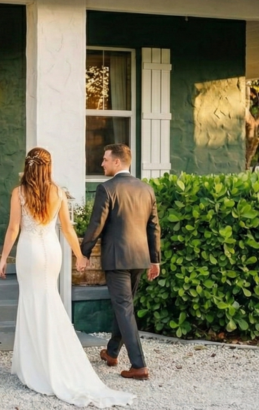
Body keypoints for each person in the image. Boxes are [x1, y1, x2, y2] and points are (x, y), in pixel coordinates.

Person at [0, 147, 136, 408]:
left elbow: (14, 228)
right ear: (48, 167)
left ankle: (37, 364)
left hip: (30, 252)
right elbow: (68, 228)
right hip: (52, 251)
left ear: (27, 166)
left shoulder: (19, 193)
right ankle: (54, 358)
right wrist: (79, 256)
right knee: (50, 301)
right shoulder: (58, 192)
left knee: (32, 303)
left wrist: (3, 258)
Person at [80, 143, 162, 381]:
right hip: (140, 258)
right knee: (123, 306)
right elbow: (154, 227)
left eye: (105, 159)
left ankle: (139, 365)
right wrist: (155, 260)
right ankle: (112, 352)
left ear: (117, 162)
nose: (102, 163)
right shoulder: (147, 189)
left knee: (124, 307)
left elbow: (96, 224)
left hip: (117, 258)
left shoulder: (106, 188)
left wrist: (84, 253)